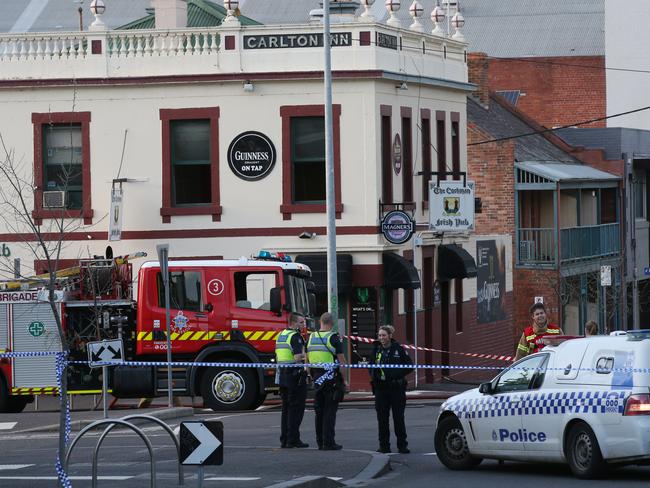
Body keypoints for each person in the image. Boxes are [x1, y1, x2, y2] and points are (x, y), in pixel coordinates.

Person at [370, 325, 413, 454]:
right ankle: (384, 446)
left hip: (396, 389)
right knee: (382, 419)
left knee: (398, 418)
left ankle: (402, 445)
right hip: (381, 389)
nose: (381, 338)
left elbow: (409, 366)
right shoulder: (376, 349)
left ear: (390, 336)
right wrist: (374, 375)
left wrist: (397, 374)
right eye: (380, 335)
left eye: (384, 335)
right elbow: (371, 365)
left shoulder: (398, 349)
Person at [307, 312, 347, 450]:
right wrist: (344, 380)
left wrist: (312, 377)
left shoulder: (311, 336)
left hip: (317, 378)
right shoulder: (334, 338)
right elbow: (342, 362)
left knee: (319, 411)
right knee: (330, 412)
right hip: (331, 379)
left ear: (320, 322)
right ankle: (328, 442)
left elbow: (307, 360)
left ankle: (320, 441)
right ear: (332, 323)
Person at [275, 313, 309, 448]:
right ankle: (293, 439)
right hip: (294, 376)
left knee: (286, 409)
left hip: (282, 376)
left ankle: (284, 439)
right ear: (294, 323)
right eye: (301, 323)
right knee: (296, 409)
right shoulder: (295, 336)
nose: (303, 325)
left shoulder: (281, 335)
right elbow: (296, 357)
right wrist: (307, 354)